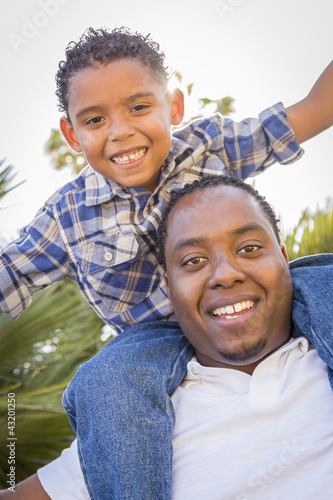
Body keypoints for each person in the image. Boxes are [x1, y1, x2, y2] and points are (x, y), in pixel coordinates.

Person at [1, 25, 333, 498]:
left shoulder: (208, 147)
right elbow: (10, 272)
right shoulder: (66, 216)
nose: (120, 131)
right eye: (94, 121)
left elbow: (309, 112)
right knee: (106, 379)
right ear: (71, 134)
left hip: (255, 299)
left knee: (325, 284)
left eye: (138, 107)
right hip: (153, 340)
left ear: (173, 107)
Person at [3, 175, 332, 499]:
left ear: (284, 261)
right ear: (169, 290)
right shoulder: (127, 425)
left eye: (248, 248)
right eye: (194, 261)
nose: (226, 273)